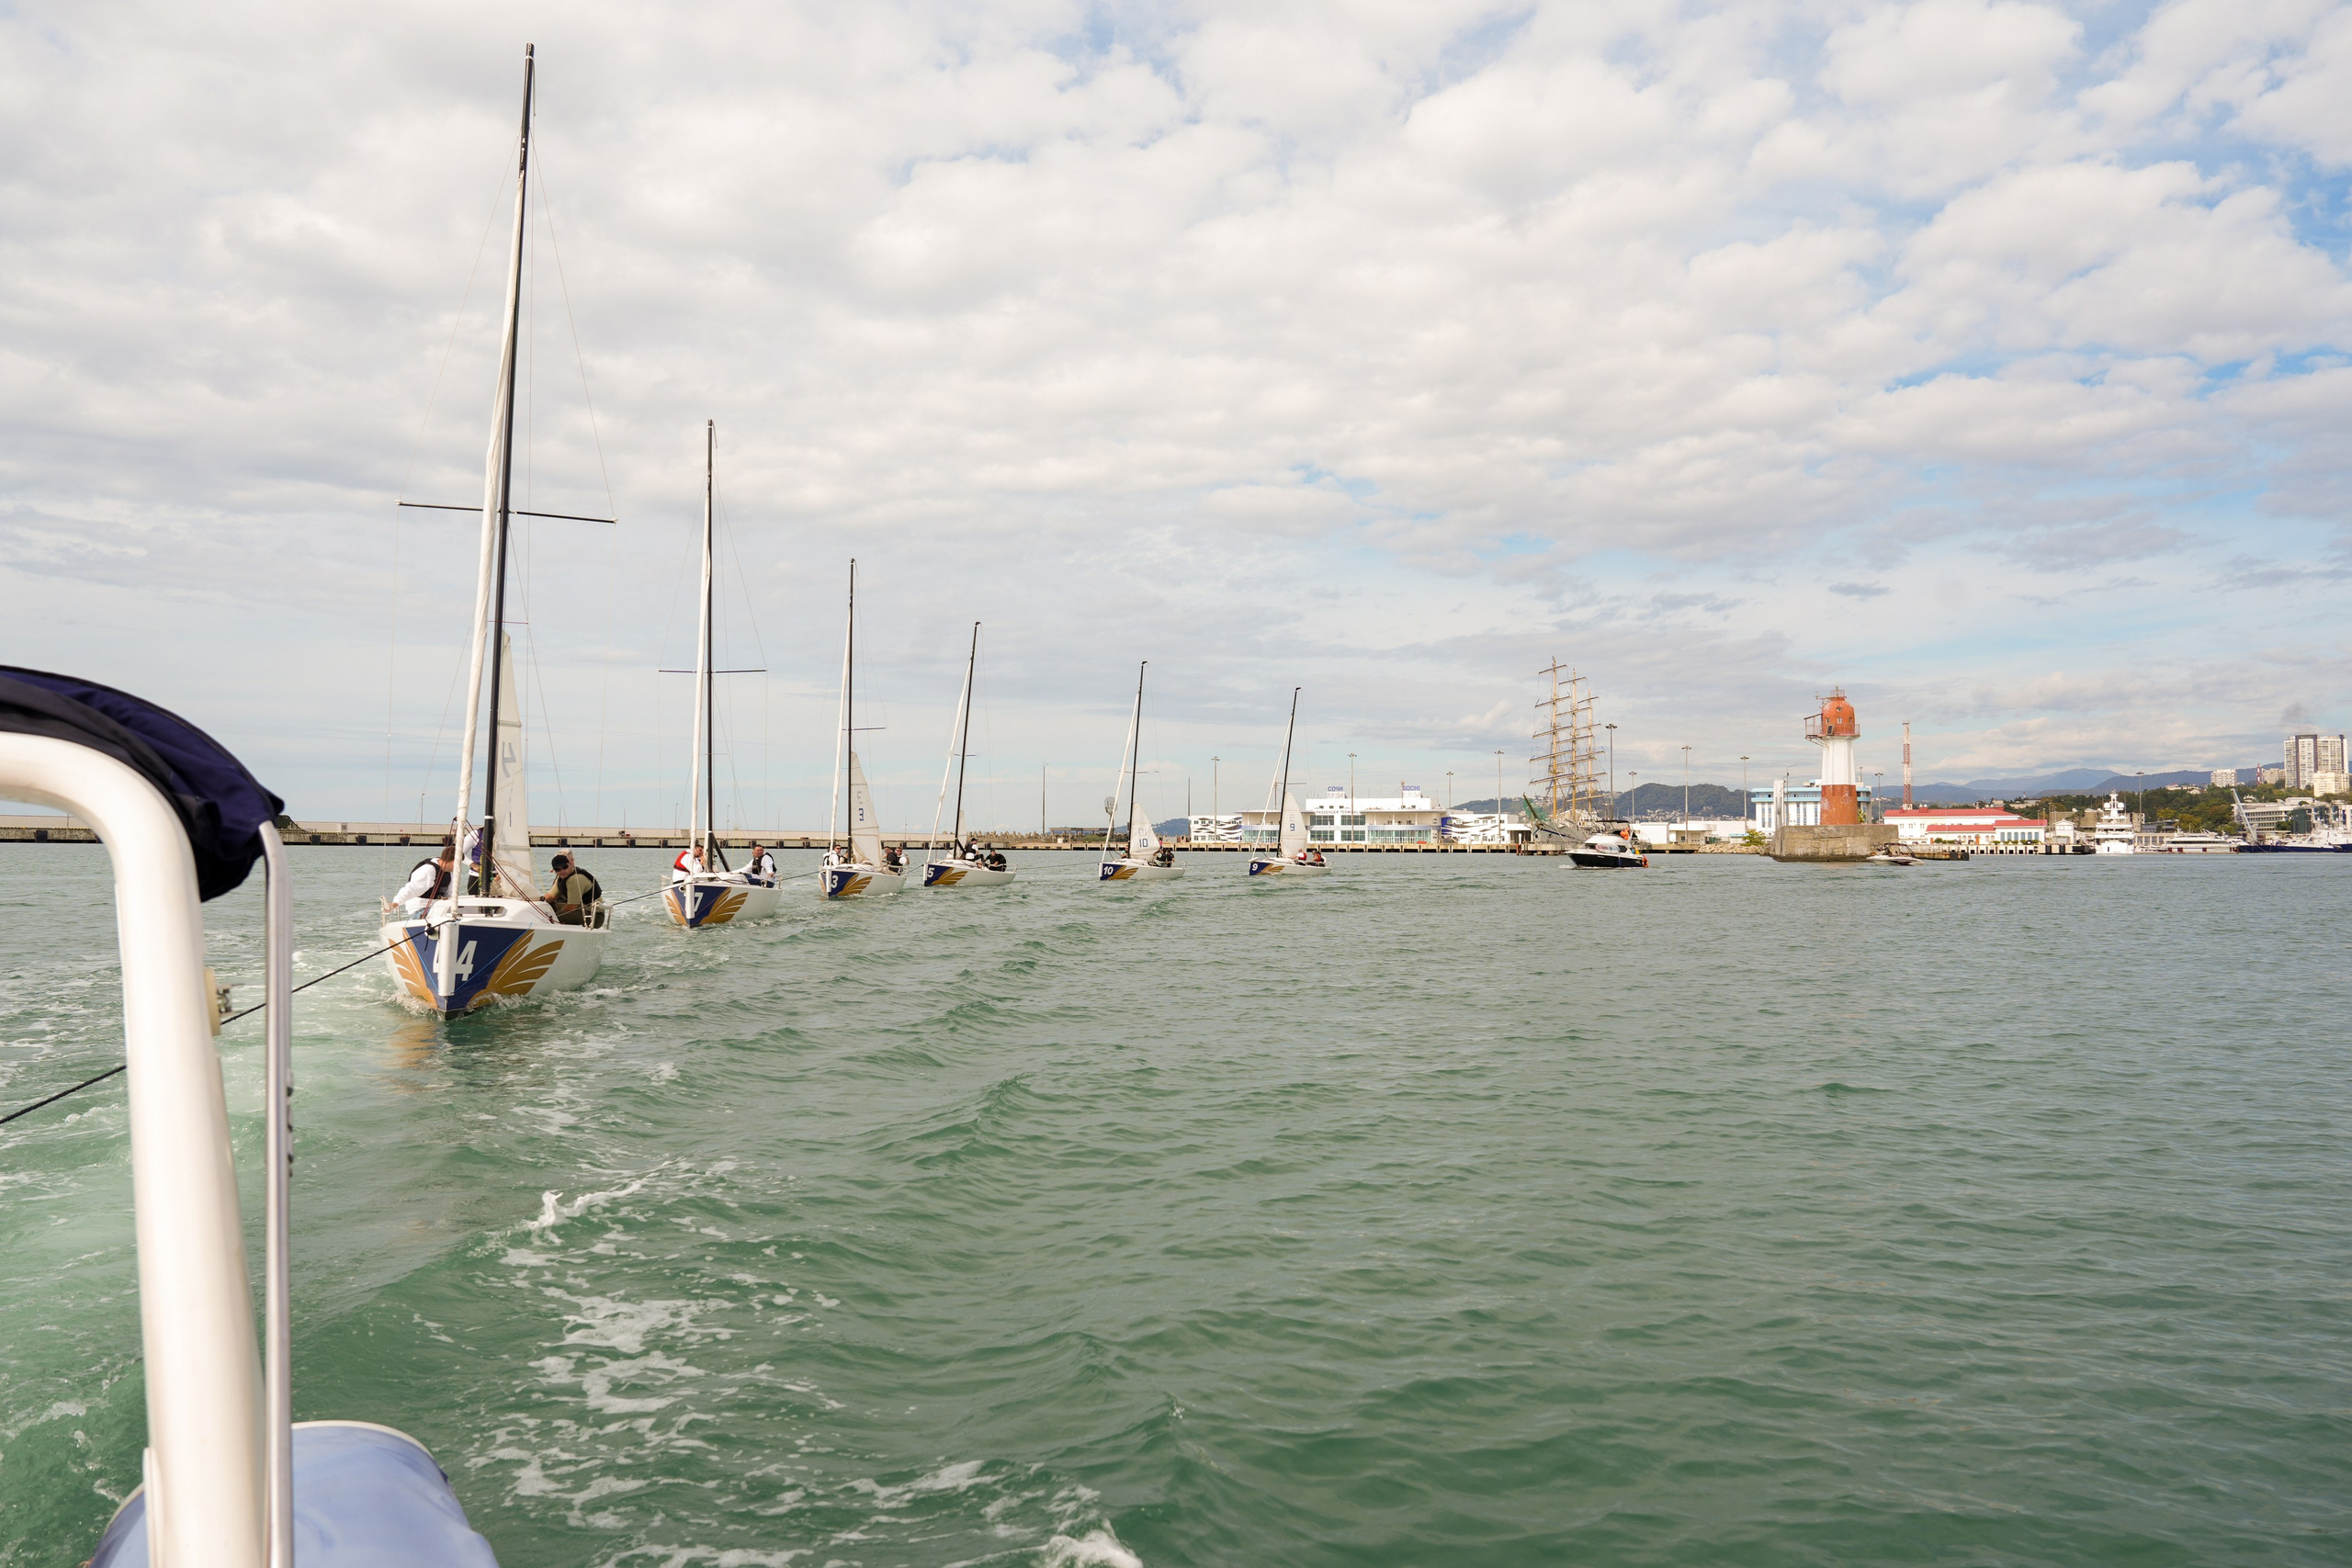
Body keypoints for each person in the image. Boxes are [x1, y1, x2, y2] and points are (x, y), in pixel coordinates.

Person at [390, 840, 455, 918]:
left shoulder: (448, 871)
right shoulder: (429, 870)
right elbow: (412, 889)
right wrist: (396, 903)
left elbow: (449, 894)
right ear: (453, 863)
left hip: (438, 907)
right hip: (421, 909)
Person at [548, 853, 603, 926]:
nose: (562, 871)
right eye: (558, 869)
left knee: (553, 918)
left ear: (570, 864)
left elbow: (572, 906)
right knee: (548, 906)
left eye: (565, 867)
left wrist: (550, 918)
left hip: (594, 916)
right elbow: (551, 897)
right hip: (579, 909)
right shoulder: (561, 877)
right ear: (554, 871)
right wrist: (536, 902)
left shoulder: (575, 879)